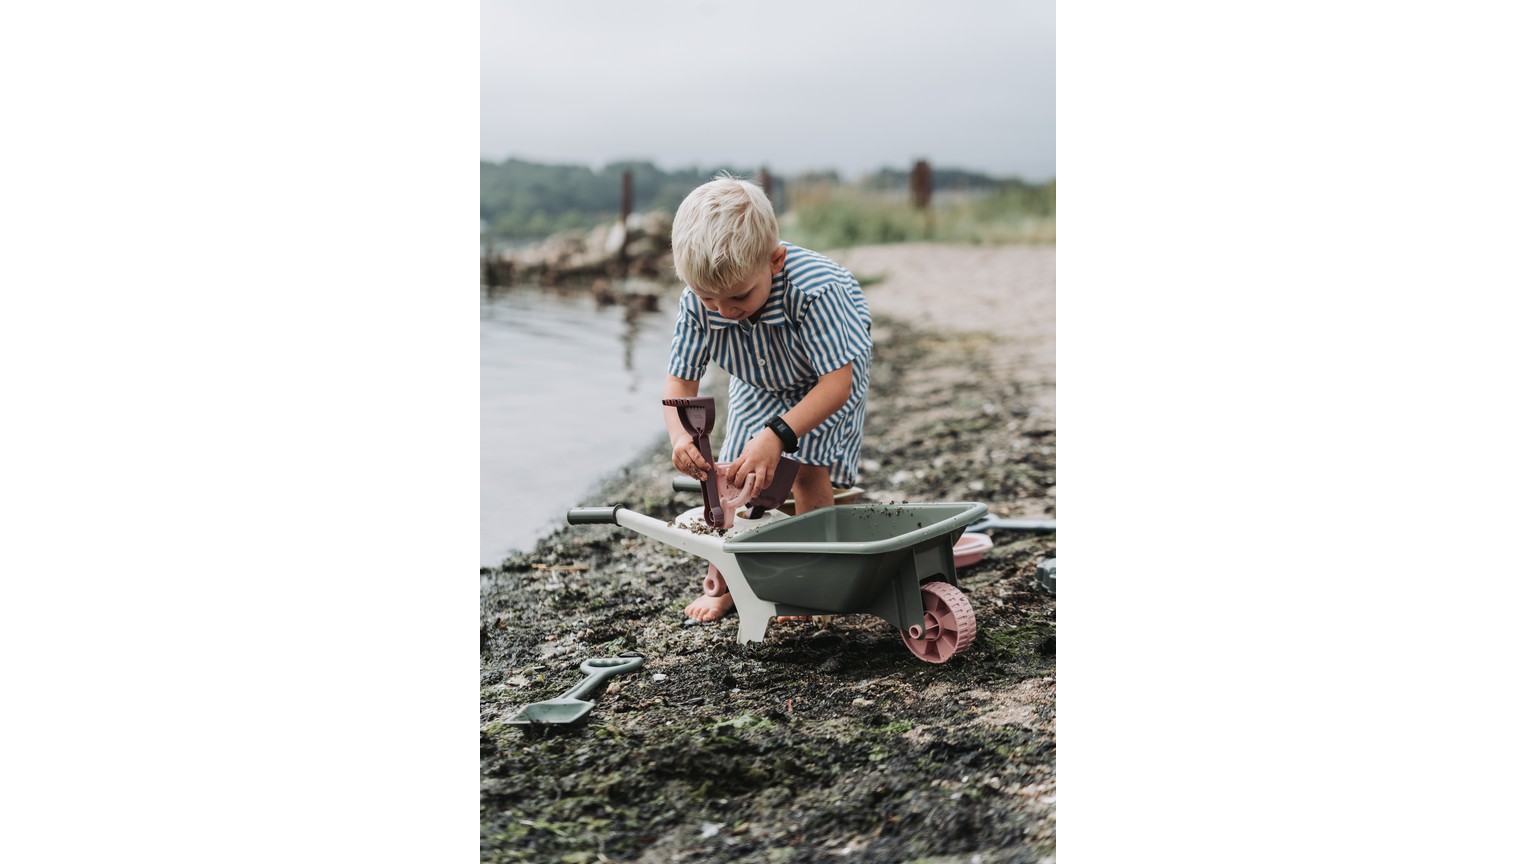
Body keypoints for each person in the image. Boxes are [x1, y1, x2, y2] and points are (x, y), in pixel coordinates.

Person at [663, 173, 873, 622]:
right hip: (758, 381)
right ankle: (727, 583)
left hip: (825, 379)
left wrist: (777, 435)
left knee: (806, 473)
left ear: (774, 262)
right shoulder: (699, 303)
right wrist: (681, 438)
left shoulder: (816, 292)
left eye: (738, 296)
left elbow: (838, 385)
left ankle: (815, 580)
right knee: (735, 479)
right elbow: (680, 382)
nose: (724, 311)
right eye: (708, 298)